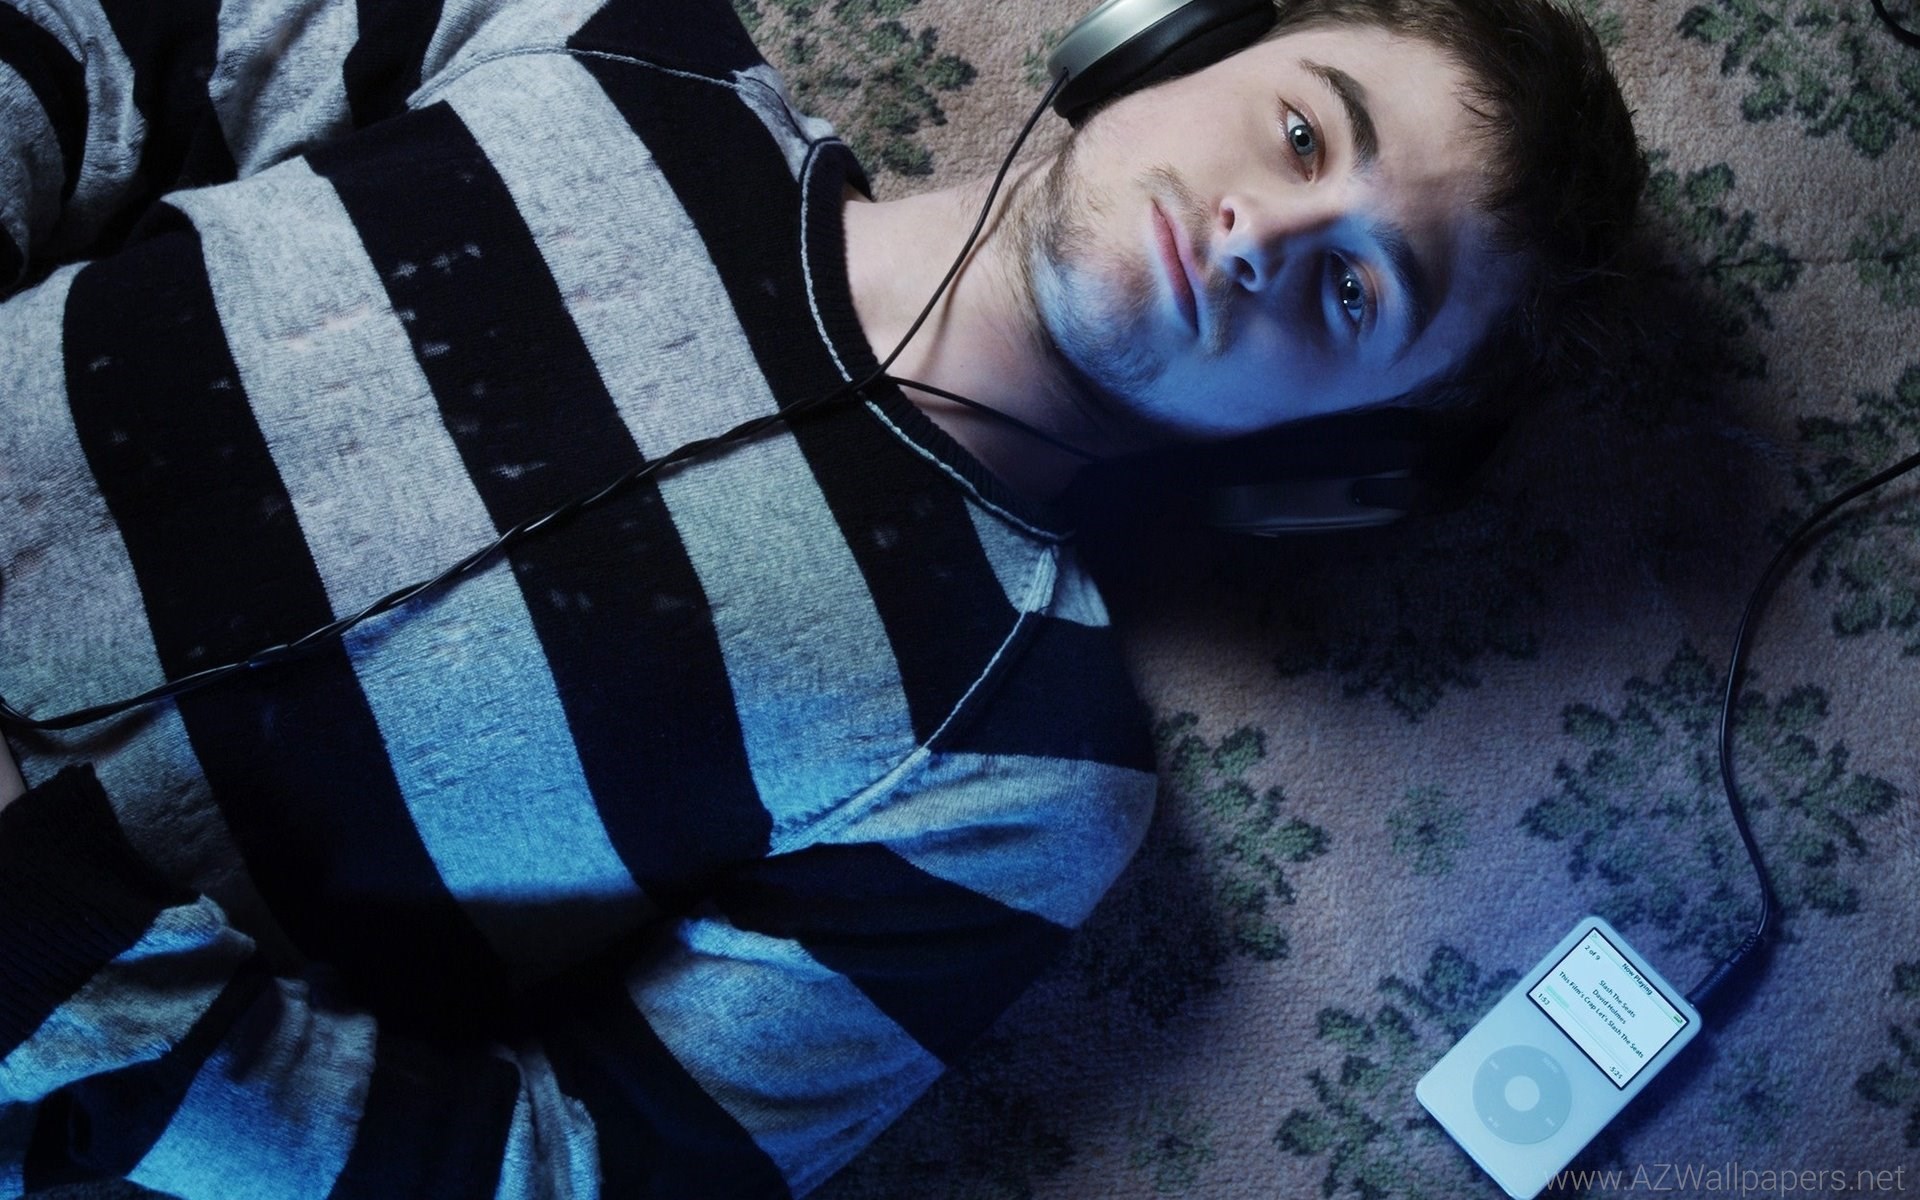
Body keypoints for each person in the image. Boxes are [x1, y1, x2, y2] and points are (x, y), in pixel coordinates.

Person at [0, 0, 1642, 1194]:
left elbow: (581, 1174)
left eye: (1355, 289)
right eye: (1302, 134)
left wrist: (52, 947)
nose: (1258, 232)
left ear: (1329, 454)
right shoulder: (609, 40)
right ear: (1166, 38)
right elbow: (110, 44)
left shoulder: (1022, 771)